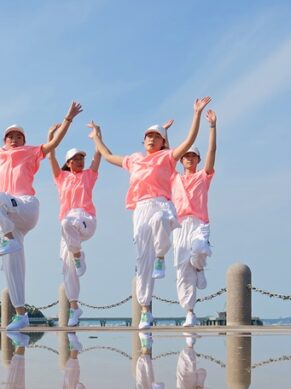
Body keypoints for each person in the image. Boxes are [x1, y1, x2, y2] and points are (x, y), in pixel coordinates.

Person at [0, 103, 83, 331]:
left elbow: (54, 143)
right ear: (4, 140)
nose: (14, 139)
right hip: (9, 216)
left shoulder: (31, 151)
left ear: (24, 140)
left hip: (25, 206)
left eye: (18, 136)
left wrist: (68, 119)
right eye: (10, 136)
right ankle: (20, 314)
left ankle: (6, 236)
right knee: (12, 265)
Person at [88, 97, 211, 329]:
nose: (151, 139)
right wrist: (97, 137)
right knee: (142, 258)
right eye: (148, 136)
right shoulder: (134, 160)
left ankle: (162, 255)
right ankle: (145, 310)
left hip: (161, 204)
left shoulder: (168, 157)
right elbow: (107, 155)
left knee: (161, 220)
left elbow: (189, 140)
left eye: (156, 137)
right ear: (143, 141)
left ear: (163, 142)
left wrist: (196, 114)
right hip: (140, 209)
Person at [46, 124, 101, 327]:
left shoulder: (88, 176)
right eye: (76, 159)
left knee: (68, 222)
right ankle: (75, 307)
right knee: (67, 268)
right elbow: (50, 158)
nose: (80, 161)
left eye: (81, 158)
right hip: (68, 228)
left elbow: (98, 156)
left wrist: (97, 137)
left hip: (86, 220)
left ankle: (78, 255)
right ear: (68, 163)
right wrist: (50, 137)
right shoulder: (61, 178)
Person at [172, 109, 217, 327]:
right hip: (179, 225)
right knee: (182, 269)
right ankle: (189, 312)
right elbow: (167, 159)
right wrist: (166, 135)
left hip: (200, 223)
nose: (189, 159)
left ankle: (199, 266)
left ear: (197, 159)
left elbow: (212, 151)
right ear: (182, 160)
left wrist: (212, 127)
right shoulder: (175, 179)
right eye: (186, 156)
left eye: (193, 156)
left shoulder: (203, 176)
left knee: (199, 250)